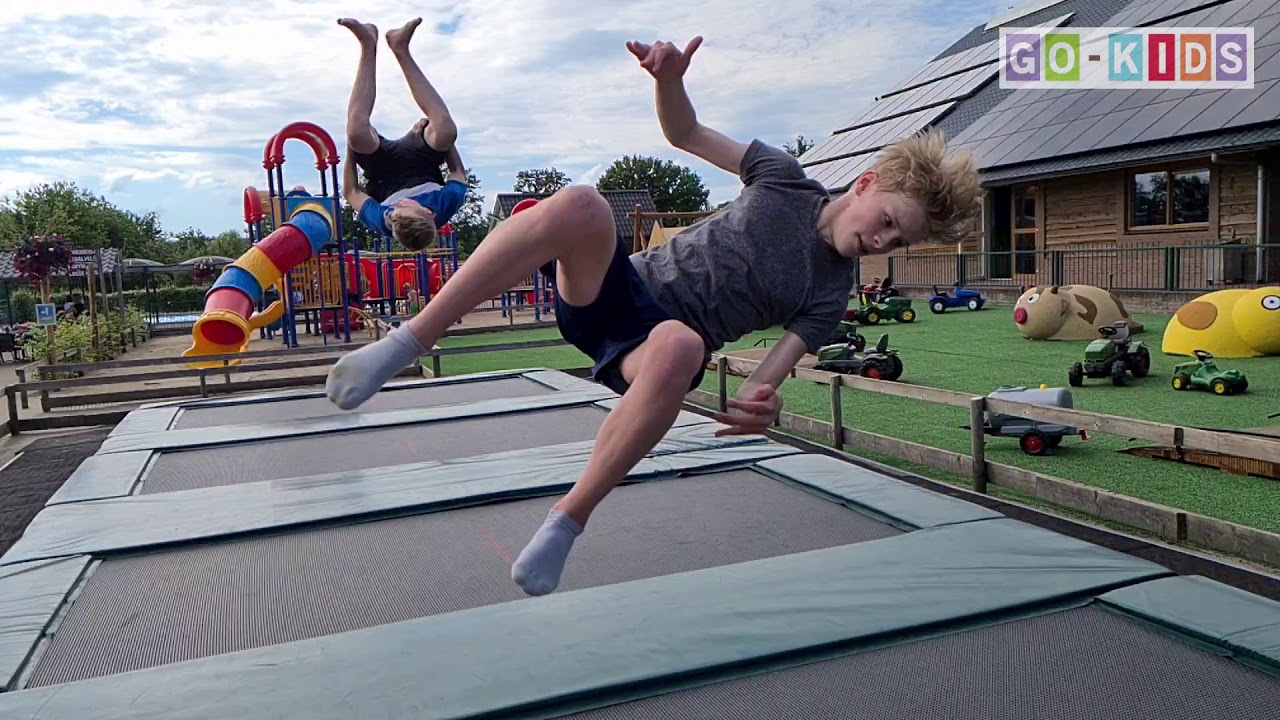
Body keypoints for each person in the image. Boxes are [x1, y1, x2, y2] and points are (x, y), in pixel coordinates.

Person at [324, 36, 982, 596]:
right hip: (608, 295)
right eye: (889, 223)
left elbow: (768, 379)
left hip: (649, 353)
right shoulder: (782, 177)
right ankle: (407, 344)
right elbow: (684, 133)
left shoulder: (829, 295)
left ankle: (566, 522)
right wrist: (669, 81)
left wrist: (763, 404)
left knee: (680, 346)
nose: (884, 243)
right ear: (866, 183)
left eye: (900, 243)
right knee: (583, 204)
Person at [338, 17, 468, 251]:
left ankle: (368, 44)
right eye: (405, 206)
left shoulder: (385, 220)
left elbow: (351, 192)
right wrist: (434, 129)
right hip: (422, 160)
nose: (398, 205)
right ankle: (400, 48)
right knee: (446, 129)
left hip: (382, 170)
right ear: (429, 212)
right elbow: (457, 171)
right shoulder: (445, 203)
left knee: (356, 130)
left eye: (395, 211)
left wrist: (350, 146)